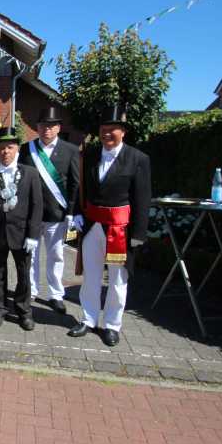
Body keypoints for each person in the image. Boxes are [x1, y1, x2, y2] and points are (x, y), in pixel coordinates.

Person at [68, 104, 151, 347]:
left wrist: (138, 233)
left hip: (119, 230)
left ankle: (112, 325)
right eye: (103, 128)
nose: (106, 133)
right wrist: (76, 213)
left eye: (112, 129)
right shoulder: (90, 155)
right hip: (92, 225)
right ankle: (88, 319)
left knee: (117, 279)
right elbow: (80, 187)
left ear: (123, 131)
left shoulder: (138, 159)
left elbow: (142, 198)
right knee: (91, 275)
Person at [0, 126, 43, 330]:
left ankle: (24, 311)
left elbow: (37, 206)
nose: (5, 152)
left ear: (17, 149)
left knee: (24, 274)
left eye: (10, 147)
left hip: (22, 234)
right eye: (1, 148)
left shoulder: (30, 173)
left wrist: (33, 235)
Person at [19, 107, 80, 315]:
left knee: (56, 256)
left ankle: (56, 294)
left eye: (52, 125)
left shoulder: (71, 150)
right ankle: (31, 290)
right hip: (31, 215)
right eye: (43, 125)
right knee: (31, 256)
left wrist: (71, 211)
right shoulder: (26, 150)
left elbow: (74, 183)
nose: (47, 129)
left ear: (58, 128)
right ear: (37, 127)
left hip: (57, 214)